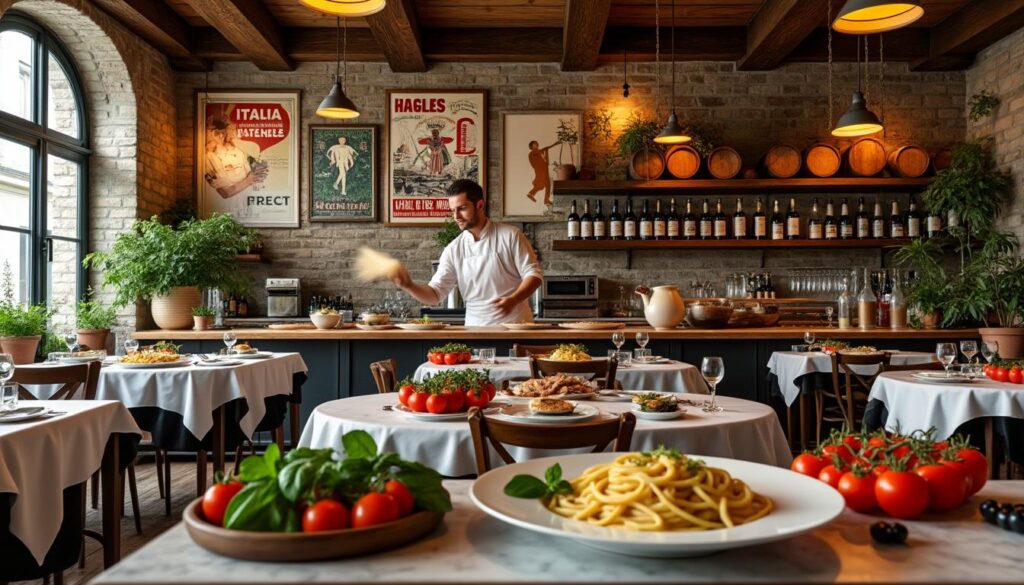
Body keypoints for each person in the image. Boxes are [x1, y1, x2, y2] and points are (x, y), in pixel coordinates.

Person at [391, 179, 543, 326]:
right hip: (474, 330)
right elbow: (435, 294)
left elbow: (534, 276)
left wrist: (513, 300)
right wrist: (408, 285)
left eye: (462, 208)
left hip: (515, 328)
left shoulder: (510, 235)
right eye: (453, 210)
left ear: (480, 205)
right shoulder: (453, 249)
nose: (456, 216)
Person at [204, 117, 268, 206]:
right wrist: (248, 180)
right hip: (230, 207)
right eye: (216, 133)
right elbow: (225, 193)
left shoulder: (238, 150)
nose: (222, 135)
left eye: (224, 131)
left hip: (251, 202)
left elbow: (257, 173)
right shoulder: (210, 158)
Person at [527, 139, 560, 204]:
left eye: (536, 143)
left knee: (546, 185)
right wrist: (555, 144)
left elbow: (545, 159)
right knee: (541, 184)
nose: (536, 144)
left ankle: (545, 199)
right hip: (540, 170)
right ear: (531, 146)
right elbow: (545, 148)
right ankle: (531, 194)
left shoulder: (538, 152)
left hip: (544, 170)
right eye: (534, 144)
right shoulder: (532, 153)